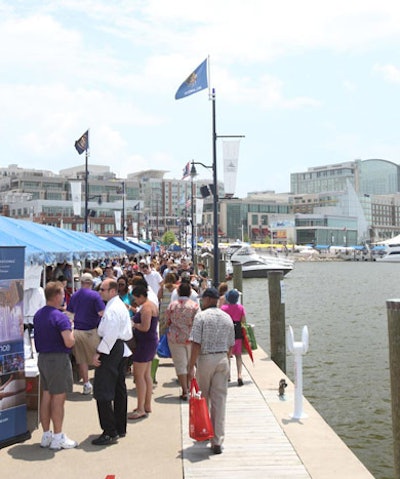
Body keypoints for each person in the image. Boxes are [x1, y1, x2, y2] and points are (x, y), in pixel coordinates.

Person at [188, 287, 235, 455]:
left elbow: (196, 344)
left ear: (208, 299)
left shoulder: (201, 317)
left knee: (204, 398)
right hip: (223, 358)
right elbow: (231, 344)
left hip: (206, 358)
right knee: (220, 401)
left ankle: (205, 431)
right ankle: (217, 440)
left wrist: (190, 366)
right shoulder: (227, 317)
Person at [33, 281, 77, 450]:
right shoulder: (60, 317)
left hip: (43, 358)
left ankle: (46, 434)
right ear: (57, 296)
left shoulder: (38, 314)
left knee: (46, 395)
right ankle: (58, 436)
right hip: (57, 359)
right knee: (58, 398)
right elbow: (69, 342)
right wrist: (72, 331)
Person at [91, 278, 133, 446]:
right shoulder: (116, 305)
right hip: (118, 347)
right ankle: (119, 426)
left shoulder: (113, 309)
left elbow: (111, 334)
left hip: (112, 347)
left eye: (103, 289)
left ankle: (110, 430)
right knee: (118, 388)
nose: (100, 291)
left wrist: (99, 353)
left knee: (103, 390)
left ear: (112, 291)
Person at [67, 272, 105, 395]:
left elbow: (70, 315)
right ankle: (100, 383)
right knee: (98, 357)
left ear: (81, 282)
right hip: (92, 331)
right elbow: (102, 313)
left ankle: (86, 384)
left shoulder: (74, 295)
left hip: (78, 330)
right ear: (91, 283)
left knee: (81, 359)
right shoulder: (95, 296)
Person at [128, 284, 159, 419]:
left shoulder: (146, 308)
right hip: (149, 342)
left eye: (136, 298)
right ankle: (146, 405)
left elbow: (145, 327)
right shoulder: (151, 305)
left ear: (141, 296)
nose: (135, 301)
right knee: (146, 375)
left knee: (139, 376)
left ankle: (141, 408)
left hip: (144, 343)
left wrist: (133, 324)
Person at [166, 282, 199, 400]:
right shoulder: (194, 306)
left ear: (178, 292)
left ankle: (185, 390)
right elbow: (198, 322)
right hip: (191, 337)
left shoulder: (172, 306)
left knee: (180, 364)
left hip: (175, 337)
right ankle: (191, 387)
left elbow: (167, 320)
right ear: (190, 293)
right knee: (191, 363)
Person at [221, 289, 247, 386]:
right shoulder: (241, 308)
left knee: (227, 356)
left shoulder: (223, 308)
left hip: (227, 333)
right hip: (237, 332)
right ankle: (239, 375)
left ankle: (228, 376)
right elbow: (244, 321)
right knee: (238, 356)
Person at [158, 272, 177, 336]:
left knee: (163, 326)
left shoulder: (163, 287)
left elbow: (159, 297)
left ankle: (163, 339)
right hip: (173, 307)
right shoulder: (176, 287)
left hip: (164, 308)